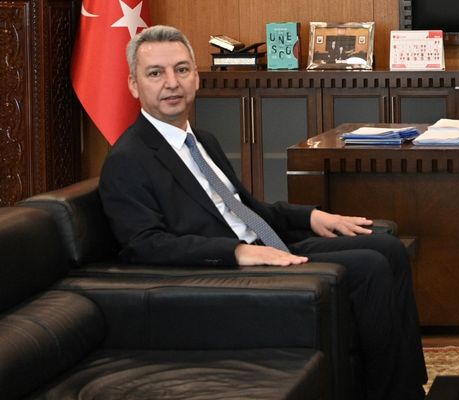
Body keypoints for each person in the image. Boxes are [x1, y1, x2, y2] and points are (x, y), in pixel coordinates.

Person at [99, 25, 427, 400]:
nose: (172, 83)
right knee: (369, 267)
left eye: (182, 69)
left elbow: (245, 208)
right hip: (229, 270)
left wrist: (312, 217)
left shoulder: (201, 140)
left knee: (388, 247)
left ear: (196, 77)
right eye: (156, 73)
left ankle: (409, 386)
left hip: (267, 245)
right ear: (134, 85)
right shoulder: (128, 159)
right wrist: (237, 252)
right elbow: (144, 245)